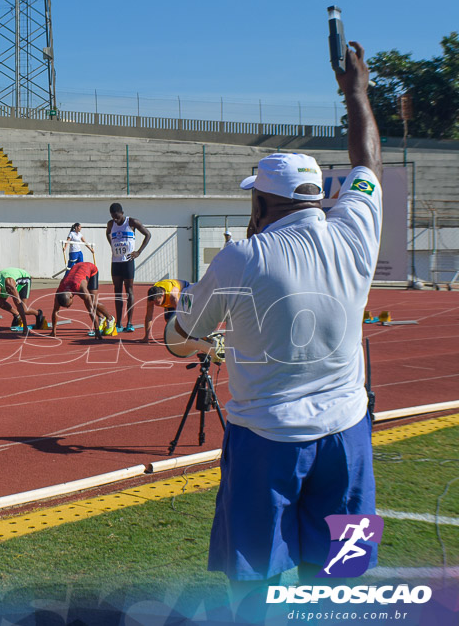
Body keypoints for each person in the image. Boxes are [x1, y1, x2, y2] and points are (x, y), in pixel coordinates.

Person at [165, 41, 382, 608]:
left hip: (268, 438)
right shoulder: (355, 229)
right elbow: (368, 165)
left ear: (263, 202)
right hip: (348, 431)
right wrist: (356, 94)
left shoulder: (244, 256)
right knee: (340, 574)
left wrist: (175, 320)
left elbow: (181, 341)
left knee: (257, 583)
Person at [106, 203, 151, 333]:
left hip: (128, 262)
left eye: (117, 216)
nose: (115, 219)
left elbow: (148, 234)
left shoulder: (131, 222)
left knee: (129, 291)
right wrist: (112, 245)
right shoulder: (110, 224)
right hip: (116, 262)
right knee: (117, 292)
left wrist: (139, 252)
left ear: (122, 213)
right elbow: (108, 233)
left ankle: (130, 322)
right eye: (113, 217)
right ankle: (119, 322)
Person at [50, 262, 113, 337]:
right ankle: (101, 317)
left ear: (70, 297)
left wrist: (97, 330)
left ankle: (110, 318)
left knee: (93, 303)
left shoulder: (81, 288)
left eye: (68, 305)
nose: (68, 307)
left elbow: (91, 310)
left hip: (91, 270)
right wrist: (53, 331)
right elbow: (55, 310)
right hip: (77, 269)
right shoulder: (60, 290)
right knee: (87, 302)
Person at [0, 267, 41, 334]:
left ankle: (38, 313)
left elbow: (18, 303)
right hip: (7, 281)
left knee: (24, 310)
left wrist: (25, 327)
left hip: (24, 281)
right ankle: (17, 315)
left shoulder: (9, 285)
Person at [140, 278, 190, 343]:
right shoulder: (151, 298)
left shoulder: (173, 296)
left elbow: (182, 314)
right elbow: (149, 316)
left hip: (184, 290)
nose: (155, 304)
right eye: (154, 302)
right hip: (168, 291)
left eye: (157, 302)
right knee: (168, 320)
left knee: (177, 318)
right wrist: (146, 337)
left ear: (162, 295)